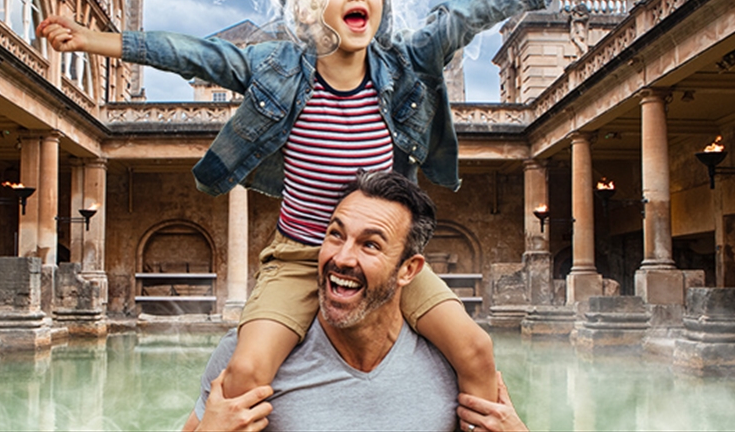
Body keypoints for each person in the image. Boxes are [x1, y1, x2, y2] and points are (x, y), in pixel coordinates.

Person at [38, 0, 595, 421]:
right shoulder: (279, 68)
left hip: (386, 259)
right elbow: (195, 53)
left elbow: (467, 12)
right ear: (307, 1)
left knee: (477, 349)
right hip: (302, 254)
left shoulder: (405, 64)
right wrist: (93, 41)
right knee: (247, 369)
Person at [182, 170, 528, 432]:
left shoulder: (449, 358)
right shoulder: (249, 354)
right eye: (335, 234)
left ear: (409, 269)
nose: (342, 257)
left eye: (371, 244)